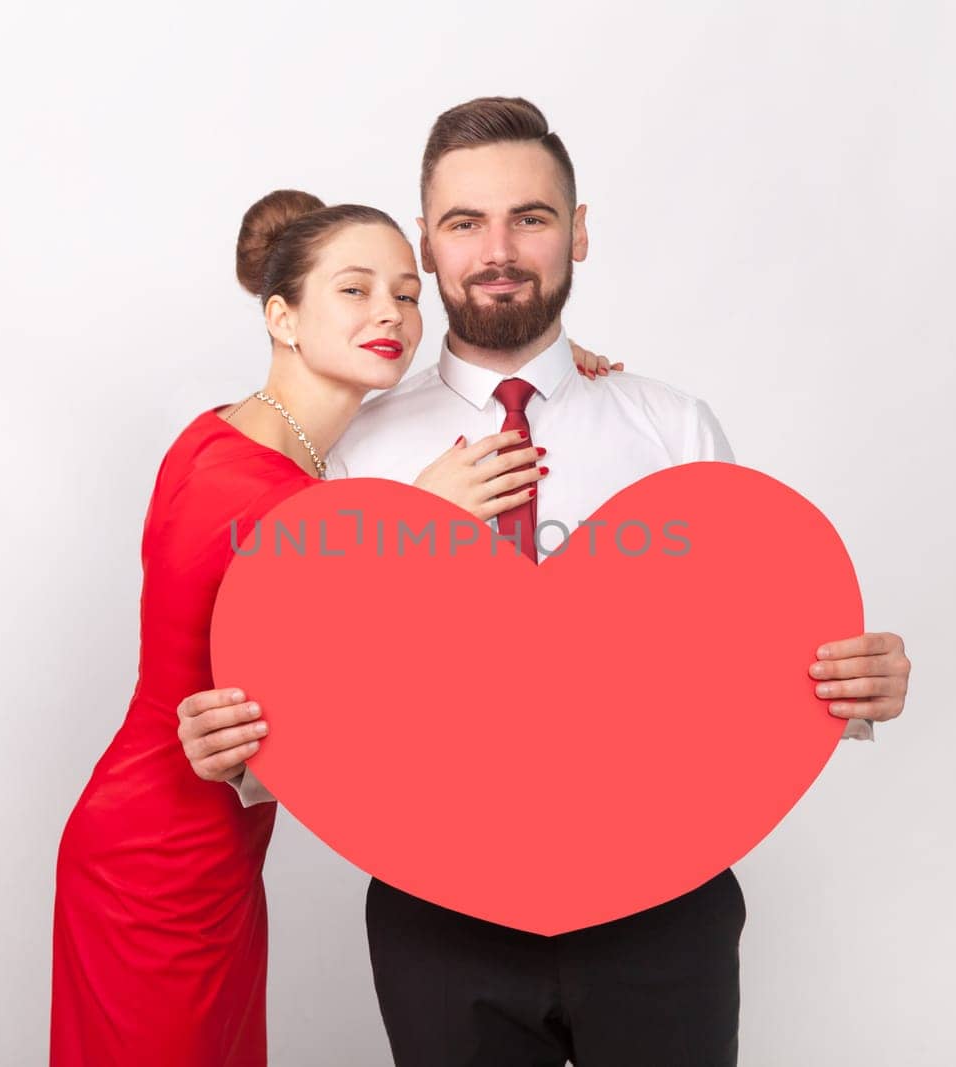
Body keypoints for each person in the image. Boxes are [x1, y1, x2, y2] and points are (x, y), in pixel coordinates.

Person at [178, 97, 913, 1066]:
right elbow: (316, 673)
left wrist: (855, 688)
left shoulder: (672, 428)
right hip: (437, 906)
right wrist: (237, 749)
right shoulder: (353, 454)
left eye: (529, 217)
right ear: (427, 248)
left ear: (577, 231)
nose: (498, 248)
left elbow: (750, 645)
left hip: (663, 902)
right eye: (462, 222)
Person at [50, 187, 623, 1065]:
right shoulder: (257, 498)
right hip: (156, 861)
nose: (389, 312)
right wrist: (418, 519)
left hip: (204, 851)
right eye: (353, 291)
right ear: (282, 317)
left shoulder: (228, 438)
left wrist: (546, 368)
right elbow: (335, 674)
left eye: (405, 292)